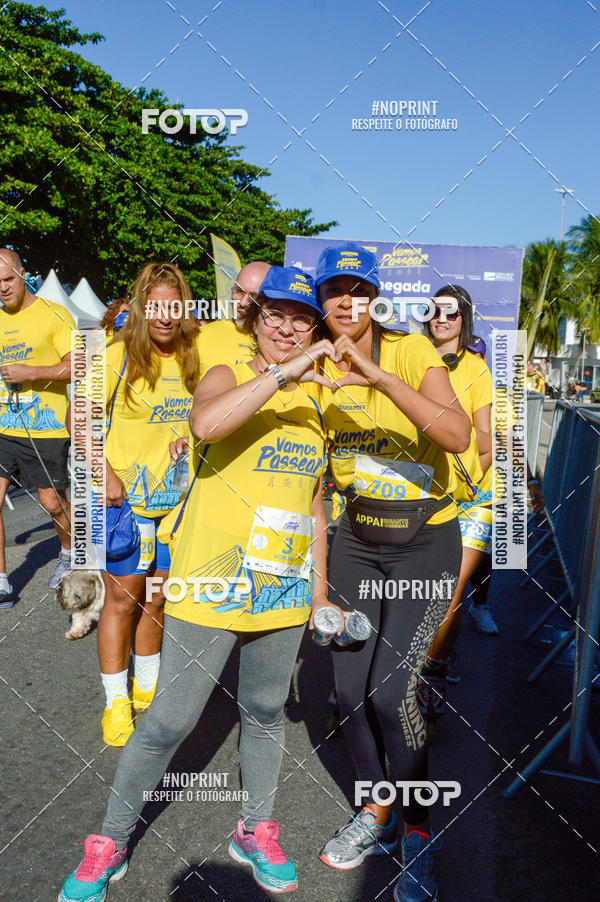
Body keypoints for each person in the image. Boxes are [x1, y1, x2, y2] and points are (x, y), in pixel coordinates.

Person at [59, 265, 336, 901]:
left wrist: (320, 593)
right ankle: (109, 841)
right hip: (211, 580)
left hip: (284, 584)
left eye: (302, 320)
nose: (288, 329)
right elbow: (207, 425)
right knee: (169, 721)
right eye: (275, 316)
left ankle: (255, 828)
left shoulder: (322, 397)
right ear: (255, 320)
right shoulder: (229, 372)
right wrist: (282, 374)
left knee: (265, 712)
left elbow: (315, 504)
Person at [311, 243, 471, 902]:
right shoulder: (311, 370)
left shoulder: (410, 353)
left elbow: (458, 435)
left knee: (392, 695)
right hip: (356, 544)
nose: (347, 302)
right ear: (321, 301)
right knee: (349, 694)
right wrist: (318, 586)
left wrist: (376, 379)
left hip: (424, 546)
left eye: (359, 290)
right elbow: (314, 489)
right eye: (335, 291)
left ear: (376, 298)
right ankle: (375, 811)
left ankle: (416, 833)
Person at [68, 262, 201, 745]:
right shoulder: (118, 353)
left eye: (174, 306)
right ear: (142, 307)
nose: (165, 316)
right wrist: (104, 473)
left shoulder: (194, 356)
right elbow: (76, 416)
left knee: (157, 598)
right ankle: (115, 701)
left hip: (176, 506)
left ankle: (147, 688)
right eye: (156, 306)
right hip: (126, 506)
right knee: (121, 603)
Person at [416, 286, 496, 728]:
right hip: (426, 490)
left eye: (451, 313)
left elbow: (485, 437)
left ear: (464, 319)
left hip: (475, 492)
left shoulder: (477, 368)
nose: (441, 319)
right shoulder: (410, 357)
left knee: (449, 591)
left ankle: (434, 671)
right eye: (434, 312)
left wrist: (463, 454)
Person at [0, 248, 75, 606]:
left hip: (45, 428)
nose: (2, 288)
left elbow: (79, 366)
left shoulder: (53, 314)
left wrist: (31, 373)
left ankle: (68, 551)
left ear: (23, 273)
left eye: (8, 279)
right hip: (3, 428)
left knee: (52, 503)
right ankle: (1, 580)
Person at [196, 260, 271, 374]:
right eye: (239, 292)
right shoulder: (200, 336)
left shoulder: (280, 344)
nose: (243, 303)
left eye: (253, 296)